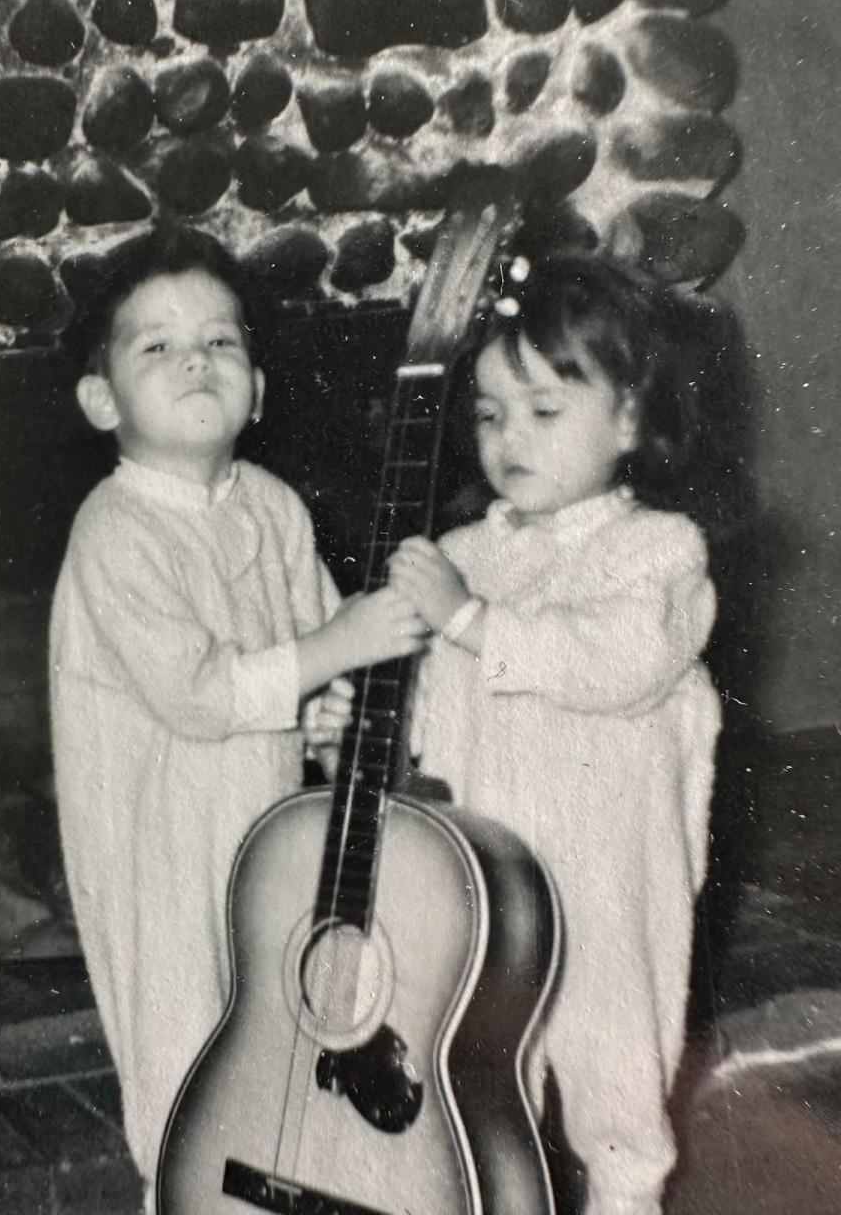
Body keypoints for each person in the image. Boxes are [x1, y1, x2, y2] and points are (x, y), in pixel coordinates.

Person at [49, 226, 426, 1203]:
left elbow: (307, 651)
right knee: (186, 1052)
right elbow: (203, 692)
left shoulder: (270, 505)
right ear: (102, 398)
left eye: (221, 341)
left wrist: (333, 701)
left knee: (276, 1037)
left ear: (257, 387)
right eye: (158, 346)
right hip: (160, 851)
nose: (197, 362)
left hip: (264, 838)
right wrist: (337, 646)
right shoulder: (115, 528)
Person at [389, 254, 723, 1215]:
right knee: (481, 1071)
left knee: (612, 1065)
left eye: (543, 410)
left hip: (606, 883)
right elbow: (430, 706)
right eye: (490, 414)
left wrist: (470, 623)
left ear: (626, 420)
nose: (508, 438)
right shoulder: (461, 556)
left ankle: (625, 1198)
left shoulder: (656, 552)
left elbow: (616, 664)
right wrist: (367, 715)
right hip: (488, 887)